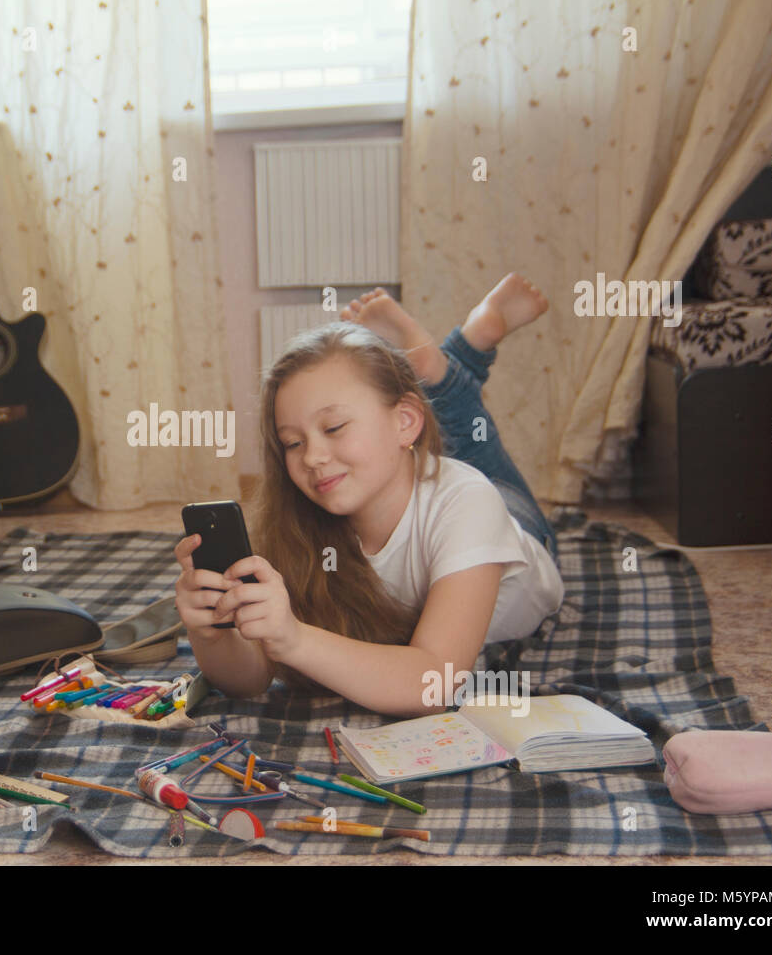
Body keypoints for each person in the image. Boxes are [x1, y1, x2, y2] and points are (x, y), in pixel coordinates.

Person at [173, 274, 564, 717]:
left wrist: (296, 638)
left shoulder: (469, 502)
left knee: (474, 450)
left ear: (404, 422)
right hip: (413, 469)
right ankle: (444, 361)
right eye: (292, 442)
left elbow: (431, 684)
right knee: (445, 447)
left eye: (334, 427)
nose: (313, 457)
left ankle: (466, 346)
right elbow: (247, 682)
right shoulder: (298, 521)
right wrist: (212, 633)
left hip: (519, 525)